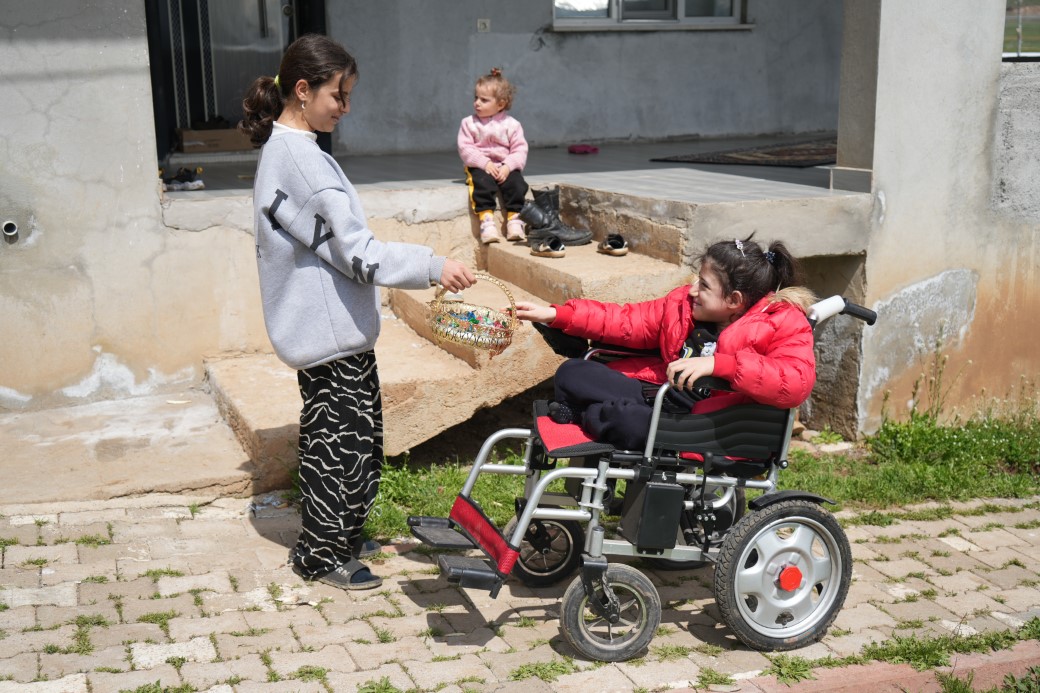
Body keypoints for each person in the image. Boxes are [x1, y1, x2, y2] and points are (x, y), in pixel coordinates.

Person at [240, 34, 476, 591]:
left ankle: (340, 532)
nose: (345, 108)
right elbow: (359, 253)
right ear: (302, 91)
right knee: (338, 445)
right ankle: (319, 555)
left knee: (356, 437)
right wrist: (433, 265)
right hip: (326, 332)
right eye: (337, 95)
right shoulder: (302, 163)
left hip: (330, 329)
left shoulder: (289, 150)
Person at [513, 235, 817, 450]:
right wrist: (556, 314)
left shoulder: (782, 321)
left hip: (702, 422)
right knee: (572, 372)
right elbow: (624, 320)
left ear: (734, 300)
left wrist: (721, 364)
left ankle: (591, 414)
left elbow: (795, 382)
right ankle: (595, 414)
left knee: (625, 420)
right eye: (698, 279)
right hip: (657, 392)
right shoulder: (682, 305)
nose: (693, 290)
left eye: (705, 286)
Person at [457, 68, 530, 244]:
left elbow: (520, 149)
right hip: (480, 166)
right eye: (476, 98)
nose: (477, 103)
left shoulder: (512, 125)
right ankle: (486, 220)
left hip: (504, 166)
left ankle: (514, 219)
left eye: (484, 100)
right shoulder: (469, 123)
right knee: (482, 183)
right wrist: (484, 163)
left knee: (517, 183)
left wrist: (508, 166)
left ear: (501, 104)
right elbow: (465, 148)